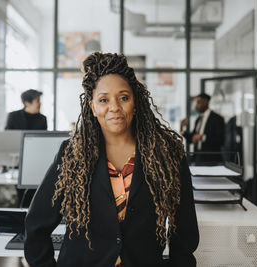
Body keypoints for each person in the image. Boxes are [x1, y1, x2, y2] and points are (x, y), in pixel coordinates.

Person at [25, 52, 199, 267]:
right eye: (104, 100)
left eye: (123, 97)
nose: (114, 107)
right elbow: (36, 224)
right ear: (93, 107)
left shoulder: (166, 153)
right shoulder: (72, 153)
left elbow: (185, 229)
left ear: (135, 102)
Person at [5, 89, 47, 208]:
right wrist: (1, 163)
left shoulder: (42, 119)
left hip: (36, 164)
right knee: (22, 198)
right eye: (37, 101)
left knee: (36, 198)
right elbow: (7, 141)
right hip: (16, 163)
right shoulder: (13, 116)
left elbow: (43, 144)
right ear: (27, 103)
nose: (40, 103)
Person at [180, 93, 225, 163]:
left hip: (212, 159)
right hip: (198, 158)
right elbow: (192, 139)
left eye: (198, 102)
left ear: (205, 102)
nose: (196, 106)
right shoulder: (198, 119)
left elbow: (221, 140)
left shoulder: (217, 118)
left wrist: (202, 137)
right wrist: (182, 129)